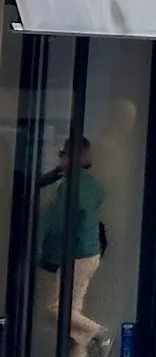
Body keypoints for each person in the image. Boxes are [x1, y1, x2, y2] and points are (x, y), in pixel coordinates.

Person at [35, 136, 108, 357]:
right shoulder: (90, 184)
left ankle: (99, 333)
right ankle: (84, 348)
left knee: (57, 308)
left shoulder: (70, 185)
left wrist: (39, 246)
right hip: (91, 252)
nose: (59, 158)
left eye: (62, 154)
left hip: (77, 254)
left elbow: (56, 220)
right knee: (73, 316)